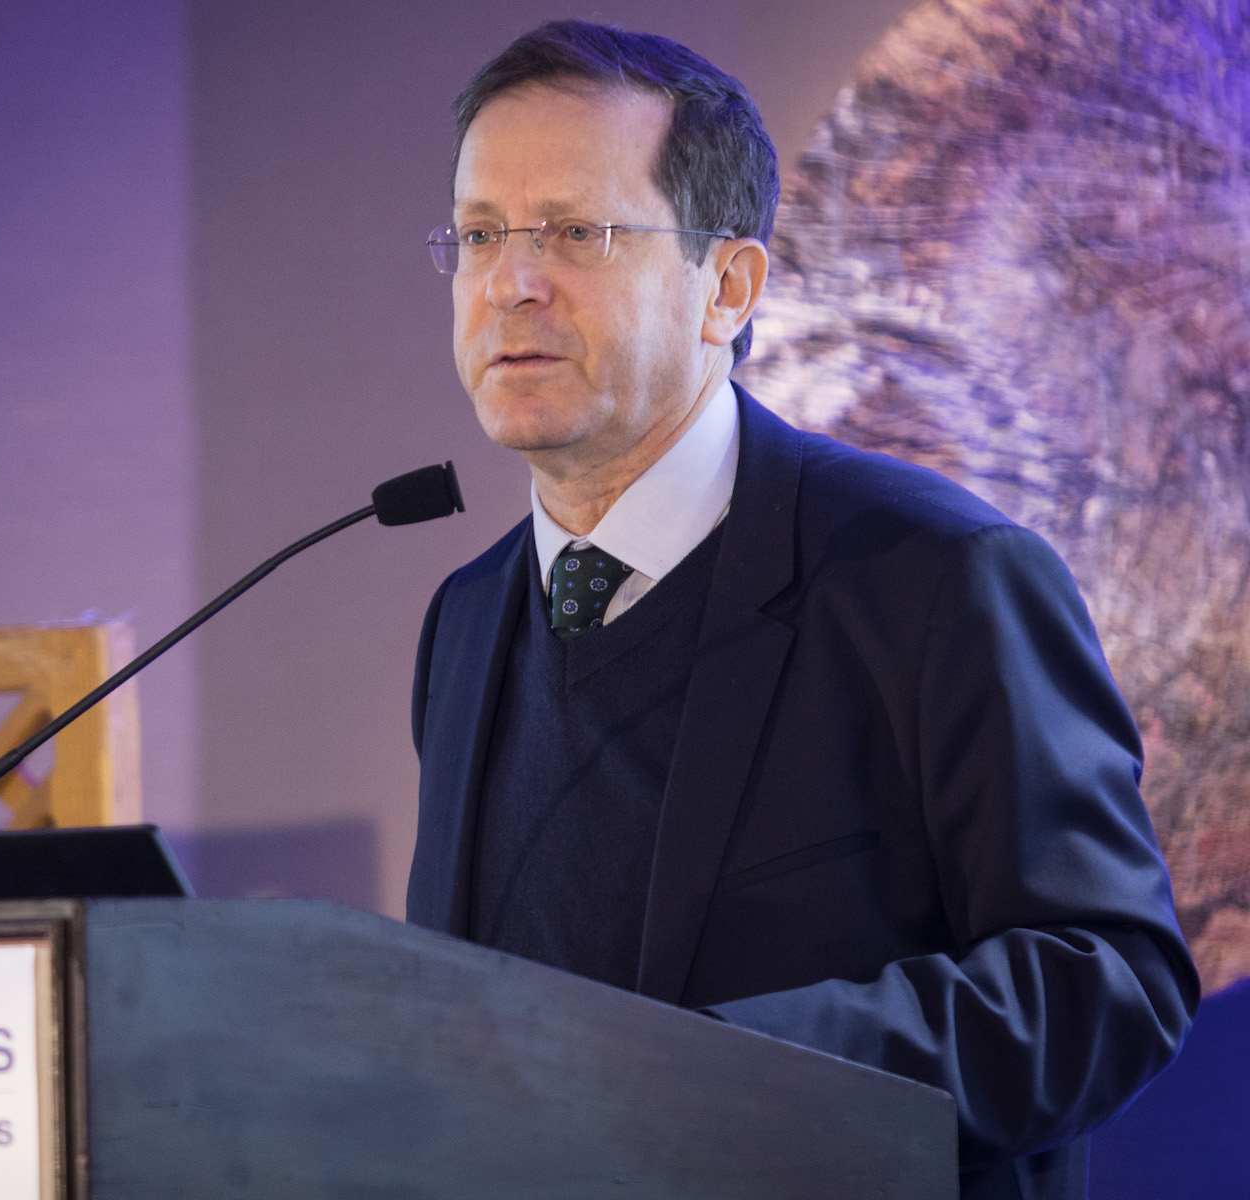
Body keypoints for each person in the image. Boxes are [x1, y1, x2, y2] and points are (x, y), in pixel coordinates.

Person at [405, 21, 1199, 1200]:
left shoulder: (936, 575)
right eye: (479, 236)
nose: (510, 282)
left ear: (726, 286)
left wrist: (714, 1076)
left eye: (576, 231)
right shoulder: (468, 620)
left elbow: (1107, 979)